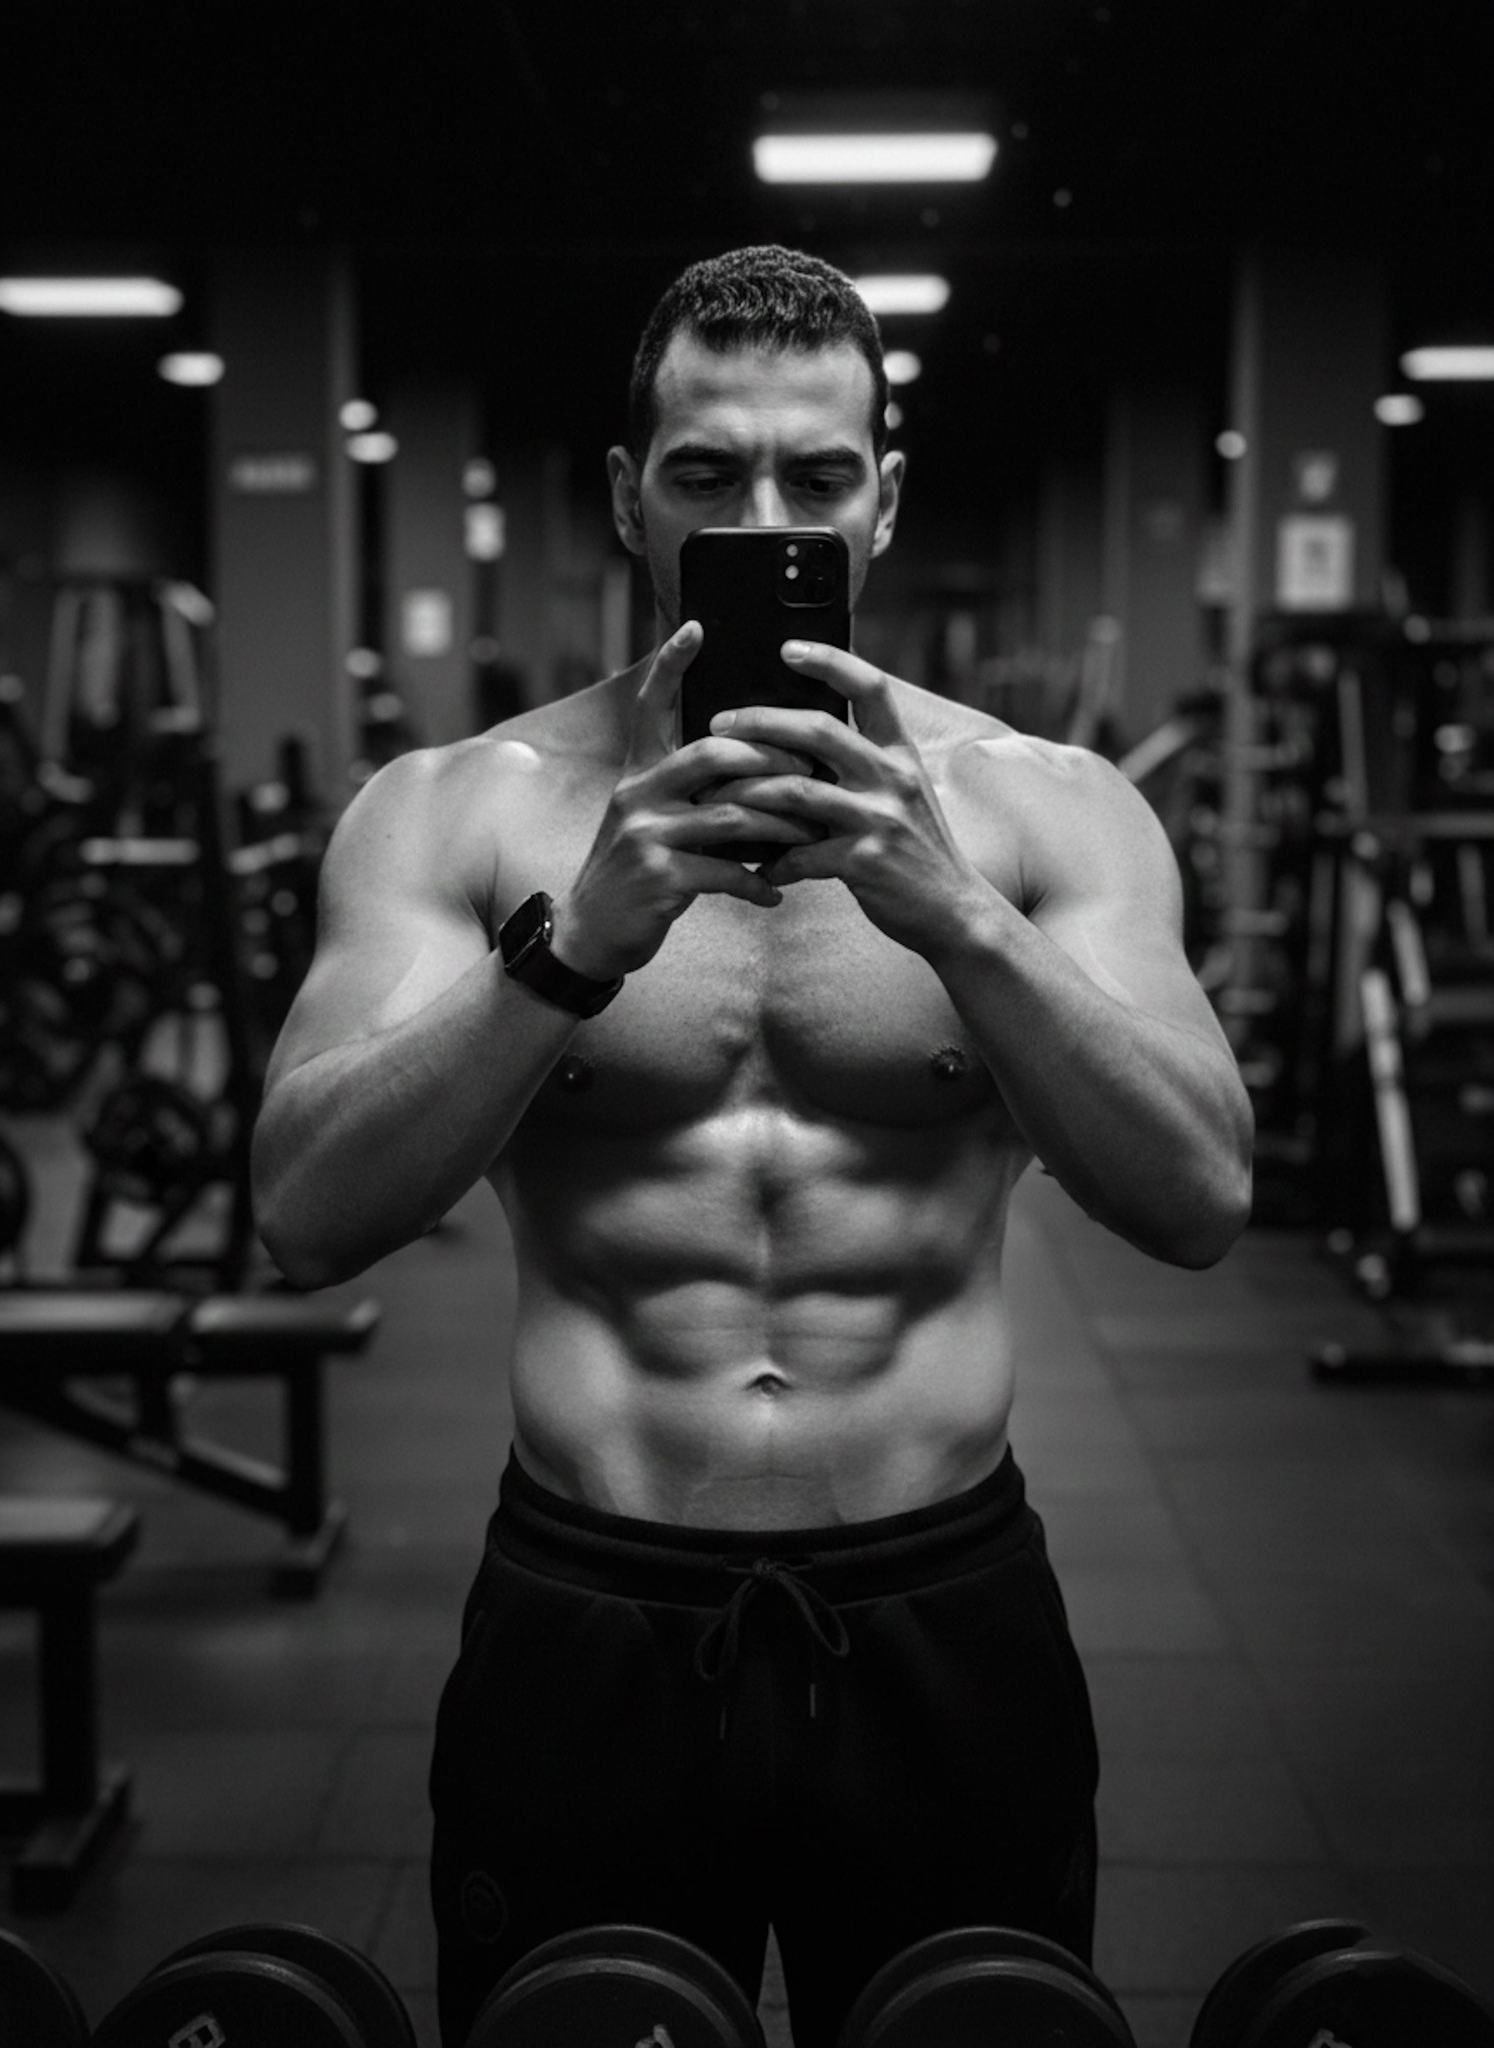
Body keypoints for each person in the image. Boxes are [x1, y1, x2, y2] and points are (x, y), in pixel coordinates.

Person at [251, 244, 1253, 2048]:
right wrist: (573, 950)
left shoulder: (1048, 810)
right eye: (709, 476)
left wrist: (959, 920)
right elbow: (306, 1214)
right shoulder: (456, 811)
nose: (764, 512)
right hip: (590, 1613)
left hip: (945, 1602)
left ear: (884, 498)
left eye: (815, 475)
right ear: (632, 496)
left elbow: (1198, 1198)